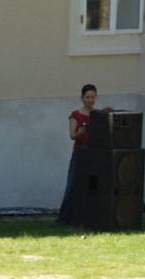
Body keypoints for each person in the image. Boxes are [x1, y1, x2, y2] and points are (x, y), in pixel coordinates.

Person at [56, 84, 97, 225]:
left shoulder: (98, 115)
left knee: (92, 187)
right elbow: (72, 135)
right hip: (80, 154)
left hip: (94, 154)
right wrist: (80, 132)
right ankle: (63, 218)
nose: (90, 100)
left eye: (93, 97)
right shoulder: (76, 115)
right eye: (87, 97)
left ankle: (87, 217)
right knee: (72, 186)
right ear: (82, 98)